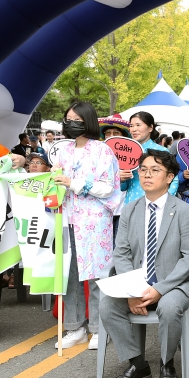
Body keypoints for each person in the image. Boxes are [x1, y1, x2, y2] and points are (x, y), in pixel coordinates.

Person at [99, 149, 189, 378]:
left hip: (171, 284)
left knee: (169, 306)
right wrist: (132, 291)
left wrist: (159, 289)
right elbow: (121, 253)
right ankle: (138, 364)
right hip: (136, 282)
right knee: (107, 306)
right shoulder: (130, 210)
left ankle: (167, 363)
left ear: (169, 177)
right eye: (143, 170)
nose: (147, 175)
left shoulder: (184, 211)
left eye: (155, 170)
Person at [52, 102, 123, 350]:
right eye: (67, 118)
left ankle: (98, 327)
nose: (70, 123)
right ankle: (75, 327)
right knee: (69, 277)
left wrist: (72, 182)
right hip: (67, 219)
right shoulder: (63, 150)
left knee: (95, 276)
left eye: (76, 120)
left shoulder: (102, 151)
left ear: (88, 121)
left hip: (93, 222)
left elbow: (107, 188)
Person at [121, 112, 180, 207]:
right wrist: (121, 179)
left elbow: (174, 179)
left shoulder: (161, 151)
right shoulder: (127, 151)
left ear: (150, 128)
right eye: (131, 126)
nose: (134, 129)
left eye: (138, 125)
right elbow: (124, 187)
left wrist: (164, 202)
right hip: (130, 204)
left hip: (156, 205)